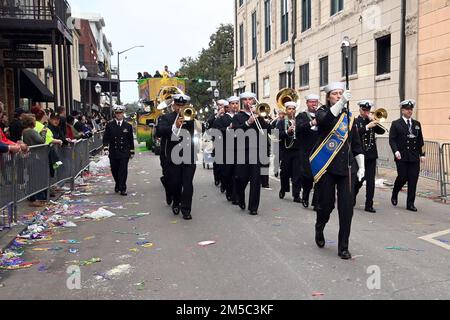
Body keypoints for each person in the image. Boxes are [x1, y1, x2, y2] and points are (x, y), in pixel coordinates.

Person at [311, 82, 364, 260]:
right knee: (326, 205)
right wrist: (341, 103)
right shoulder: (322, 112)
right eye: (335, 94)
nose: (339, 96)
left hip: (347, 169)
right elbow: (326, 123)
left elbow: (356, 145)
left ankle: (343, 247)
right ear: (328, 97)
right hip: (328, 168)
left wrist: (361, 166)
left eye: (341, 93)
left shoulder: (349, 118)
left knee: (347, 209)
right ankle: (320, 226)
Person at [156, 94, 197, 220]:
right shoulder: (165, 118)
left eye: (183, 105)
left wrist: (193, 120)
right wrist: (175, 126)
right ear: (173, 105)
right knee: (175, 183)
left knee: (188, 184)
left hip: (188, 155)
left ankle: (186, 210)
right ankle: (176, 201)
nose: (180, 108)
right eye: (178, 105)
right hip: (173, 156)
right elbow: (159, 132)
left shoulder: (190, 117)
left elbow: (200, 129)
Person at [232, 92, 271, 216]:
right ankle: (240, 196)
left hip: (257, 151)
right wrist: (248, 122)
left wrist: (261, 117)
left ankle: (253, 207)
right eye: (246, 99)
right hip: (242, 152)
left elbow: (268, 130)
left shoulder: (258, 115)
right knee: (241, 178)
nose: (248, 101)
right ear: (242, 101)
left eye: (251, 99)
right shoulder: (238, 116)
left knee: (255, 180)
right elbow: (236, 132)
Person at [389, 99, 425, 212]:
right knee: (403, 177)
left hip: (414, 156)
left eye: (411, 109)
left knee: (413, 179)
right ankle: (395, 192)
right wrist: (395, 151)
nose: (410, 111)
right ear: (402, 110)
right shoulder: (396, 124)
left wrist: (422, 154)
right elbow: (392, 140)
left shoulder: (416, 124)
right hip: (402, 156)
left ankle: (410, 203)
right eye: (407, 109)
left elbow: (420, 140)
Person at [354, 101, 386, 213]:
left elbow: (382, 131)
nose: (366, 112)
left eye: (368, 110)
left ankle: (369, 204)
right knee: (359, 180)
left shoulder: (372, 121)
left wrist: (374, 121)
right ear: (360, 110)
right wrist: (367, 127)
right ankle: (352, 195)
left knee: (371, 181)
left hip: (371, 155)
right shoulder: (356, 121)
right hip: (360, 155)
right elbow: (355, 134)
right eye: (364, 110)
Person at [103, 105, 135, 196]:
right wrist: (106, 148)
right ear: (115, 114)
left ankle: (123, 188)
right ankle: (117, 183)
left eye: (120, 113)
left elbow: (130, 139)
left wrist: (132, 151)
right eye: (117, 113)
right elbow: (106, 138)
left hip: (124, 151)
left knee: (123, 170)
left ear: (123, 114)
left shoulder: (128, 126)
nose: (119, 115)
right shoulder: (109, 125)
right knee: (114, 170)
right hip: (113, 151)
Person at [296, 94, 321, 209]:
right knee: (308, 176)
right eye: (311, 102)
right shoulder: (301, 116)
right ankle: (305, 195)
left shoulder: (321, 115)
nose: (314, 104)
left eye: (315, 102)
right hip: (305, 150)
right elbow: (299, 128)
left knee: (319, 177)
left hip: (319, 150)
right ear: (307, 103)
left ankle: (316, 203)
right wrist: (312, 123)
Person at [213, 97, 237, 201]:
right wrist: (228, 128)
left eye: (237, 103)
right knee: (227, 173)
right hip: (226, 148)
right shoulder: (222, 119)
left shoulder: (241, 116)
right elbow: (216, 131)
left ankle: (236, 195)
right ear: (228, 107)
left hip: (239, 149)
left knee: (238, 174)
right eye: (232, 104)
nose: (235, 105)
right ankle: (228, 189)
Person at [278, 101, 302, 203]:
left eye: (293, 109)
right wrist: (287, 132)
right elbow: (276, 135)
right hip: (286, 151)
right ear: (286, 110)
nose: (291, 111)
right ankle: (283, 188)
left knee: (297, 174)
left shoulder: (299, 121)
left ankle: (296, 195)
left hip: (297, 150)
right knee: (284, 173)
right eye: (289, 109)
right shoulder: (281, 122)